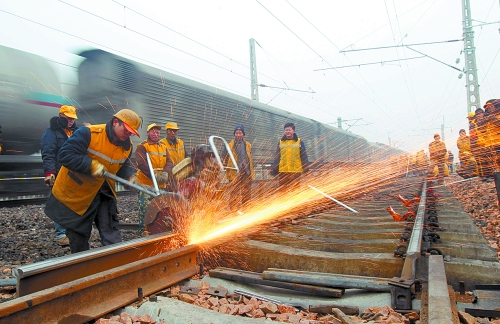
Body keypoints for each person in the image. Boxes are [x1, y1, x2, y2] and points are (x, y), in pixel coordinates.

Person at [44, 109, 141, 253]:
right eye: (126, 130)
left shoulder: (127, 146)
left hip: (104, 192)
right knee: (78, 235)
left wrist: (130, 176)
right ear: (115, 122)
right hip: (79, 193)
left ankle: (116, 264)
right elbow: (65, 155)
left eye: (131, 132)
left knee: (111, 231)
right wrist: (90, 165)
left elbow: (123, 166)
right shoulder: (88, 133)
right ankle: (82, 265)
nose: (128, 134)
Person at [40, 105, 80, 246]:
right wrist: (50, 172)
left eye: (72, 118)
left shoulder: (76, 132)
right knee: (61, 203)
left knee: (74, 203)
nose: (71, 121)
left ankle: (71, 231)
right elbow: (48, 153)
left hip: (75, 174)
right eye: (68, 118)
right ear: (60, 116)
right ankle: (61, 234)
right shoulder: (51, 133)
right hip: (59, 173)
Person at [135, 123, 173, 233]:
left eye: (157, 132)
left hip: (161, 183)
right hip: (146, 183)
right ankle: (143, 230)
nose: (155, 134)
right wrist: (153, 176)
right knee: (146, 208)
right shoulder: (142, 147)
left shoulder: (163, 146)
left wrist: (165, 173)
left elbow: (169, 162)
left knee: (160, 207)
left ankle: (156, 229)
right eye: (153, 131)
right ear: (148, 133)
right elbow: (141, 164)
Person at [222, 125, 255, 210]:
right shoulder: (228, 145)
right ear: (234, 134)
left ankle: (246, 208)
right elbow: (224, 158)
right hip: (234, 173)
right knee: (234, 192)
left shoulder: (248, 145)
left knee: (246, 192)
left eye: (240, 133)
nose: (238, 135)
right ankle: (233, 210)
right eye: (236, 133)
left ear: (243, 134)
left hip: (246, 172)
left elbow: (250, 158)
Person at [271, 122, 309, 193]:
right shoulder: (281, 142)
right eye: (286, 130)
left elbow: (304, 156)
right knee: (283, 191)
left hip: (295, 171)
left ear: (293, 131)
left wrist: (306, 168)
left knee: (295, 191)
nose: (287, 132)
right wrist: (275, 169)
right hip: (283, 171)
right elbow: (277, 157)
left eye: (289, 130)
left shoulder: (299, 142)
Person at [160, 122, 188, 190]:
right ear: (167, 131)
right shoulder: (162, 143)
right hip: (169, 175)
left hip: (181, 174)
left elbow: (186, 156)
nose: (173, 133)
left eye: (175, 131)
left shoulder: (181, 142)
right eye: (171, 131)